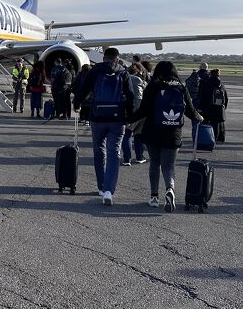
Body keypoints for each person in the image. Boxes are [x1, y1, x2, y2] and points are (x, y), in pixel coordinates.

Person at [134, 60, 202, 211]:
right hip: (173, 133)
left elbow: (143, 110)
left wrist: (128, 120)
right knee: (168, 166)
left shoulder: (153, 86)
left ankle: (153, 197)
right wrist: (199, 118)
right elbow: (190, 111)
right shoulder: (181, 87)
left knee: (154, 164)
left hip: (153, 132)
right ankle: (170, 189)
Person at [73, 47, 135, 206]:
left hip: (97, 116)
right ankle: (108, 190)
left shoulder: (95, 71)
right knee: (114, 152)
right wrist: (130, 117)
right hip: (117, 118)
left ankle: (100, 186)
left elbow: (83, 90)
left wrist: (76, 105)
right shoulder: (123, 72)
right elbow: (130, 96)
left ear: (103, 58)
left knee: (99, 150)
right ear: (118, 58)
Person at [121, 62, 147, 166]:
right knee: (138, 135)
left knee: (127, 134)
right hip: (141, 110)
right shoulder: (140, 80)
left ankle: (127, 158)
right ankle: (139, 156)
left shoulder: (123, 79)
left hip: (128, 110)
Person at [197, 68, 228, 142]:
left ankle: (208, 138)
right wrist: (224, 107)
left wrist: (200, 107)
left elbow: (202, 97)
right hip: (219, 108)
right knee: (220, 123)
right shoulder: (221, 85)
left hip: (208, 108)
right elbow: (226, 98)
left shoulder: (207, 84)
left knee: (207, 123)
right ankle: (221, 138)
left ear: (210, 74)